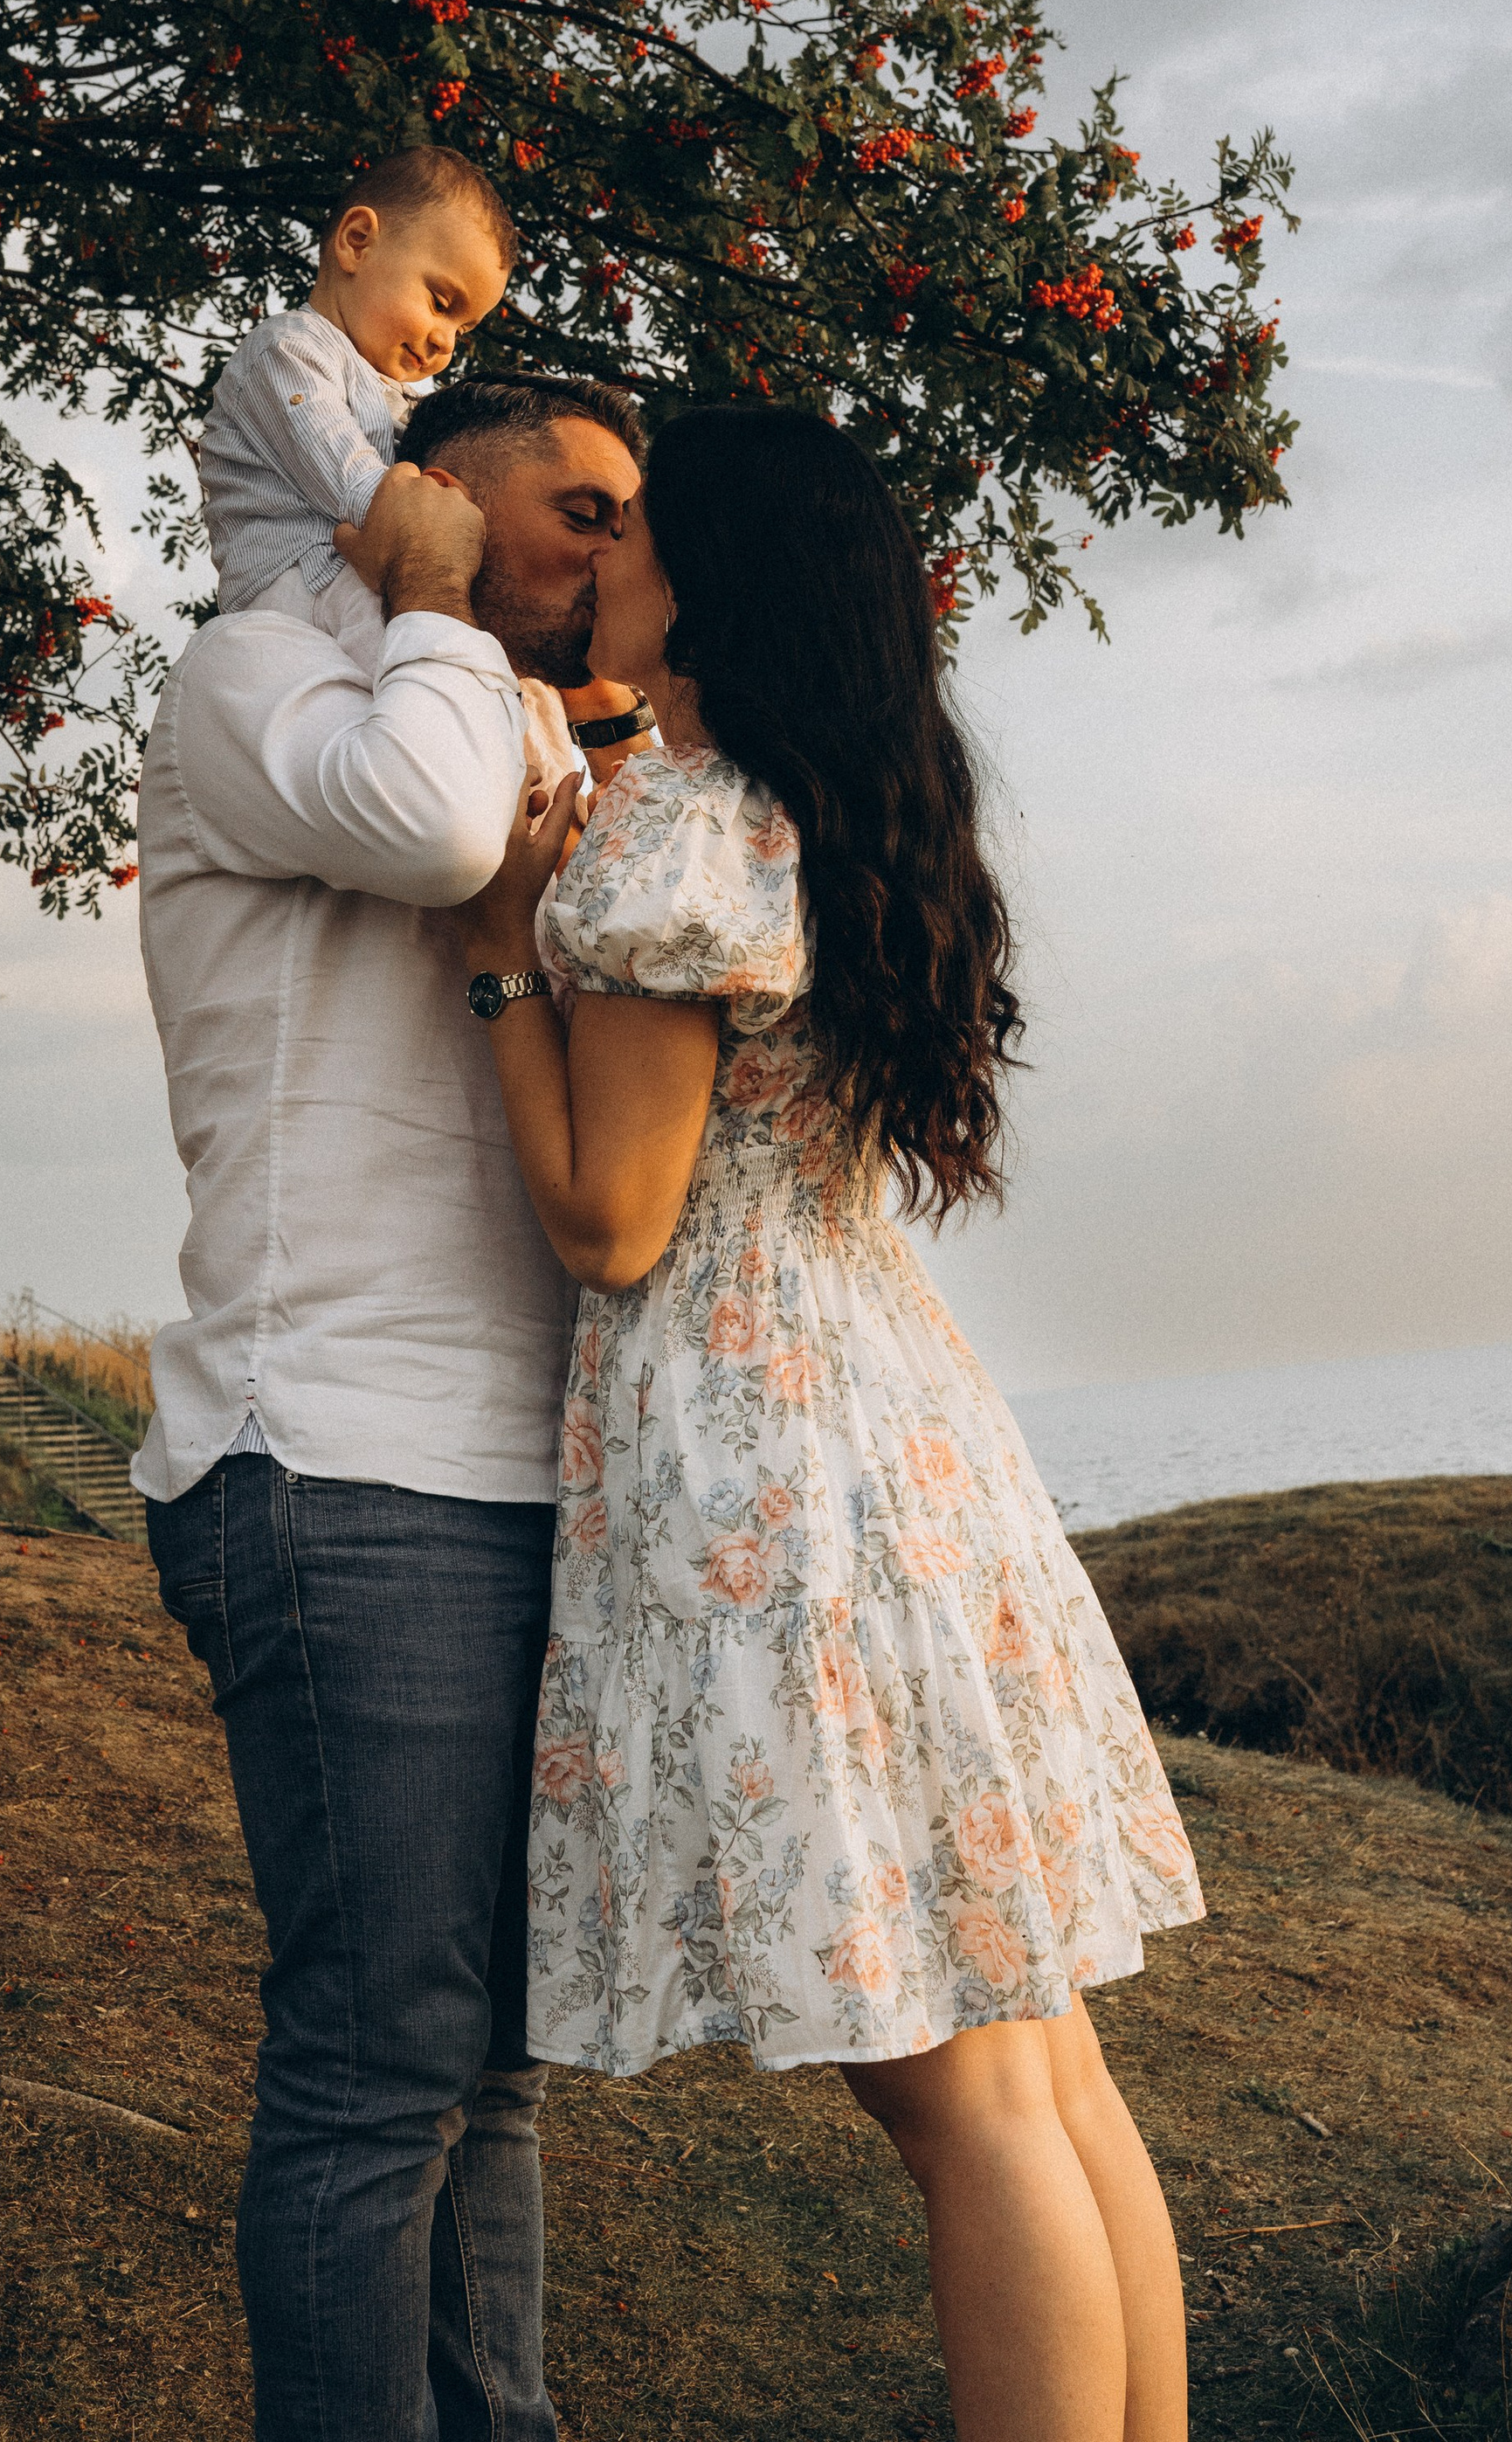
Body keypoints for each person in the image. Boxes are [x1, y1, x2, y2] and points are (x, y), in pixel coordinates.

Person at [455, 405, 1205, 2442]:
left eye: (635, 526)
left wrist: (487, 976)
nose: (602, 551)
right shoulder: (816, 811)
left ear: (713, 578)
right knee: (1035, 2060)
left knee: (963, 2096)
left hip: (770, 1473)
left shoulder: (681, 834)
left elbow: (614, 1216)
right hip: (905, 1445)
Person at [132, 370, 646, 2442]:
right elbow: (436, 832)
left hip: (513, 1461)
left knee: (488, 2064)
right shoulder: (255, 676)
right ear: (440, 491)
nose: (615, 552)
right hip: (336, 1450)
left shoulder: (512, 713)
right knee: (373, 2070)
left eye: (636, 523)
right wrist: (428, 593)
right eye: (579, 506)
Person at [195, 145, 516, 626]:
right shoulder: (286, 351)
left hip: (366, 580)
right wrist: (451, 539)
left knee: (491, 664)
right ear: (358, 241)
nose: (445, 341)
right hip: (298, 587)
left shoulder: (414, 400)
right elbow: (356, 484)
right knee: (453, 657)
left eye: (463, 330)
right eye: (440, 302)